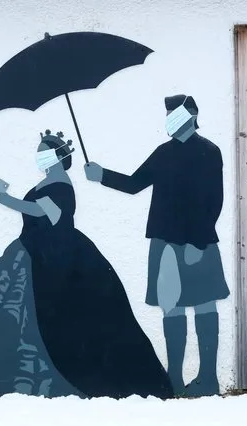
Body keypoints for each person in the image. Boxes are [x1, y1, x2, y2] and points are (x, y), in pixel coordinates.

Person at [0, 130, 174, 400]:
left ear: (59, 156)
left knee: (67, 319)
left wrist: (7, 200)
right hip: (33, 251)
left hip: (57, 258)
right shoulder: (47, 182)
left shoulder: (62, 185)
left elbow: (44, 212)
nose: (39, 155)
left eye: (44, 151)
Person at [84, 95, 230, 397]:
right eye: (166, 113)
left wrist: (199, 241)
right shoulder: (163, 153)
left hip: (198, 243)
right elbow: (135, 183)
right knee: (171, 308)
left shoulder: (209, 152)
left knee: (204, 305)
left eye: (173, 113)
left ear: (191, 114)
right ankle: (173, 378)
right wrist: (102, 176)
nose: (168, 118)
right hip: (164, 242)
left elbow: (214, 200)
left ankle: (208, 379)